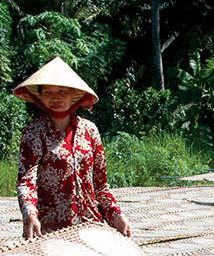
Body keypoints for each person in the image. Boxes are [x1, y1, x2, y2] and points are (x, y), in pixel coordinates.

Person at [13, 56, 131, 240]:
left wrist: (116, 216)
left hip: (90, 226)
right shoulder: (34, 133)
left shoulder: (89, 130)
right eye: (48, 92)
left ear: (73, 94)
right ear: (40, 97)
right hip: (49, 231)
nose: (55, 98)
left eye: (62, 91)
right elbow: (26, 182)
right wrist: (30, 215)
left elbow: (100, 185)